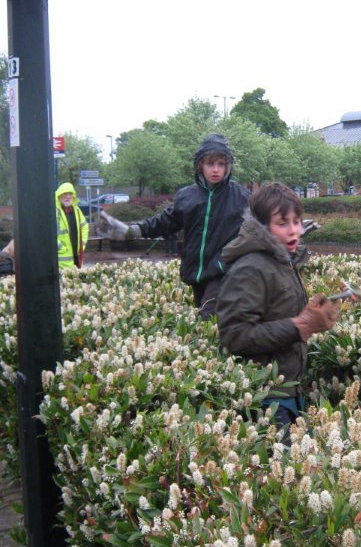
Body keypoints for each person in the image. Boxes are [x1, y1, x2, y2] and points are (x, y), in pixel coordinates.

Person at [216, 181, 339, 429]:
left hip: (289, 389)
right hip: (264, 395)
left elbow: (280, 313)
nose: (293, 231)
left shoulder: (282, 262)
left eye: (296, 221)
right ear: (262, 227)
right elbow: (235, 334)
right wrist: (299, 325)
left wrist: (316, 313)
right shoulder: (250, 268)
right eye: (282, 223)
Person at [99, 133, 250, 318]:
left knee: (207, 318)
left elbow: (262, 226)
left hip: (223, 272)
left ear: (228, 166)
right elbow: (165, 222)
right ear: (200, 165)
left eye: (221, 164)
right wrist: (132, 231)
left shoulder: (242, 197)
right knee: (209, 327)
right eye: (210, 163)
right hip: (195, 272)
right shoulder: (187, 196)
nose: (216, 169)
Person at [55, 182, 89, 269]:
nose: (68, 196)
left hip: (76, 257)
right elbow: (48, 232)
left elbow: (85, 227)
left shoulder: (76, 210)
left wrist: (82, 244)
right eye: (65, 194)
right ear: (59, 196)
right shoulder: (55, 212)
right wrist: (61, 248)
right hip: (61, 261)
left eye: (70, 194)